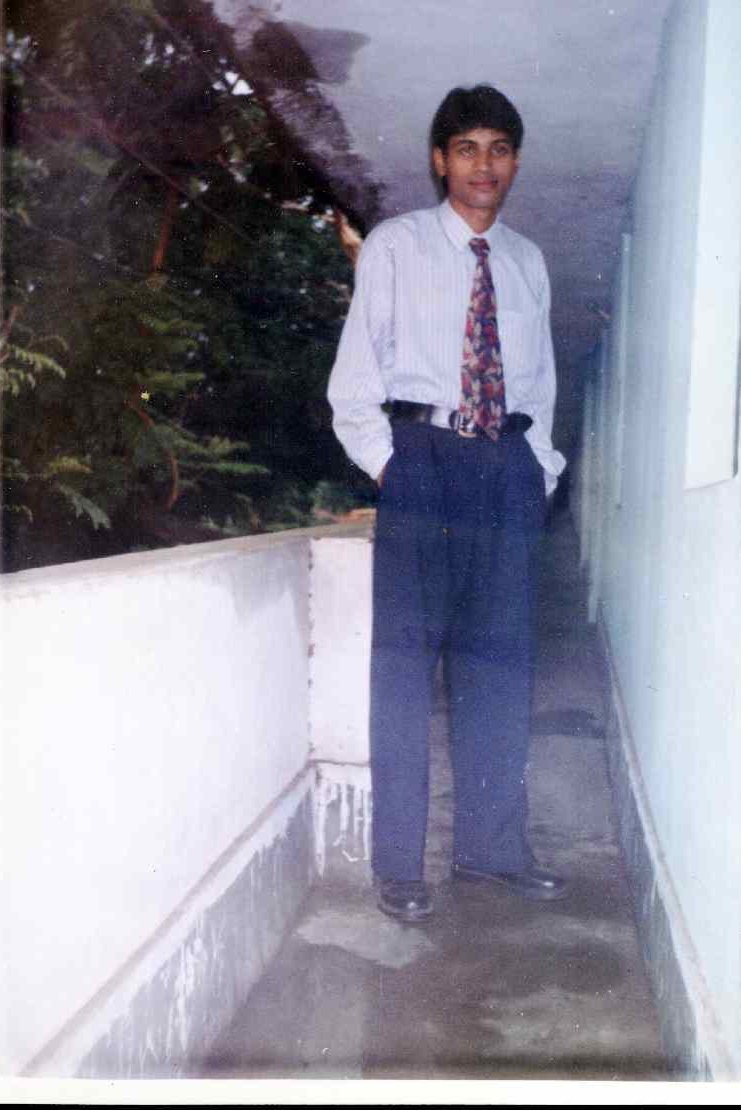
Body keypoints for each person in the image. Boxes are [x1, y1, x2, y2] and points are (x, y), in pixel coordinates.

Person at [327, 84, 568, 923]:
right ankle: (400, 864)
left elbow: (540, 382)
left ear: (515, 162)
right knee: (405, 666)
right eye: (466, 148)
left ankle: (491, 851)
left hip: (506, 467)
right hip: (423, 460)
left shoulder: (528, 261)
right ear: (440, 160)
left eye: (498, 149)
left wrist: (536, 471)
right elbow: (356, 378)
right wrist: (394, 467)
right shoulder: (395, 247)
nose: (483, 165)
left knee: (499, 664)